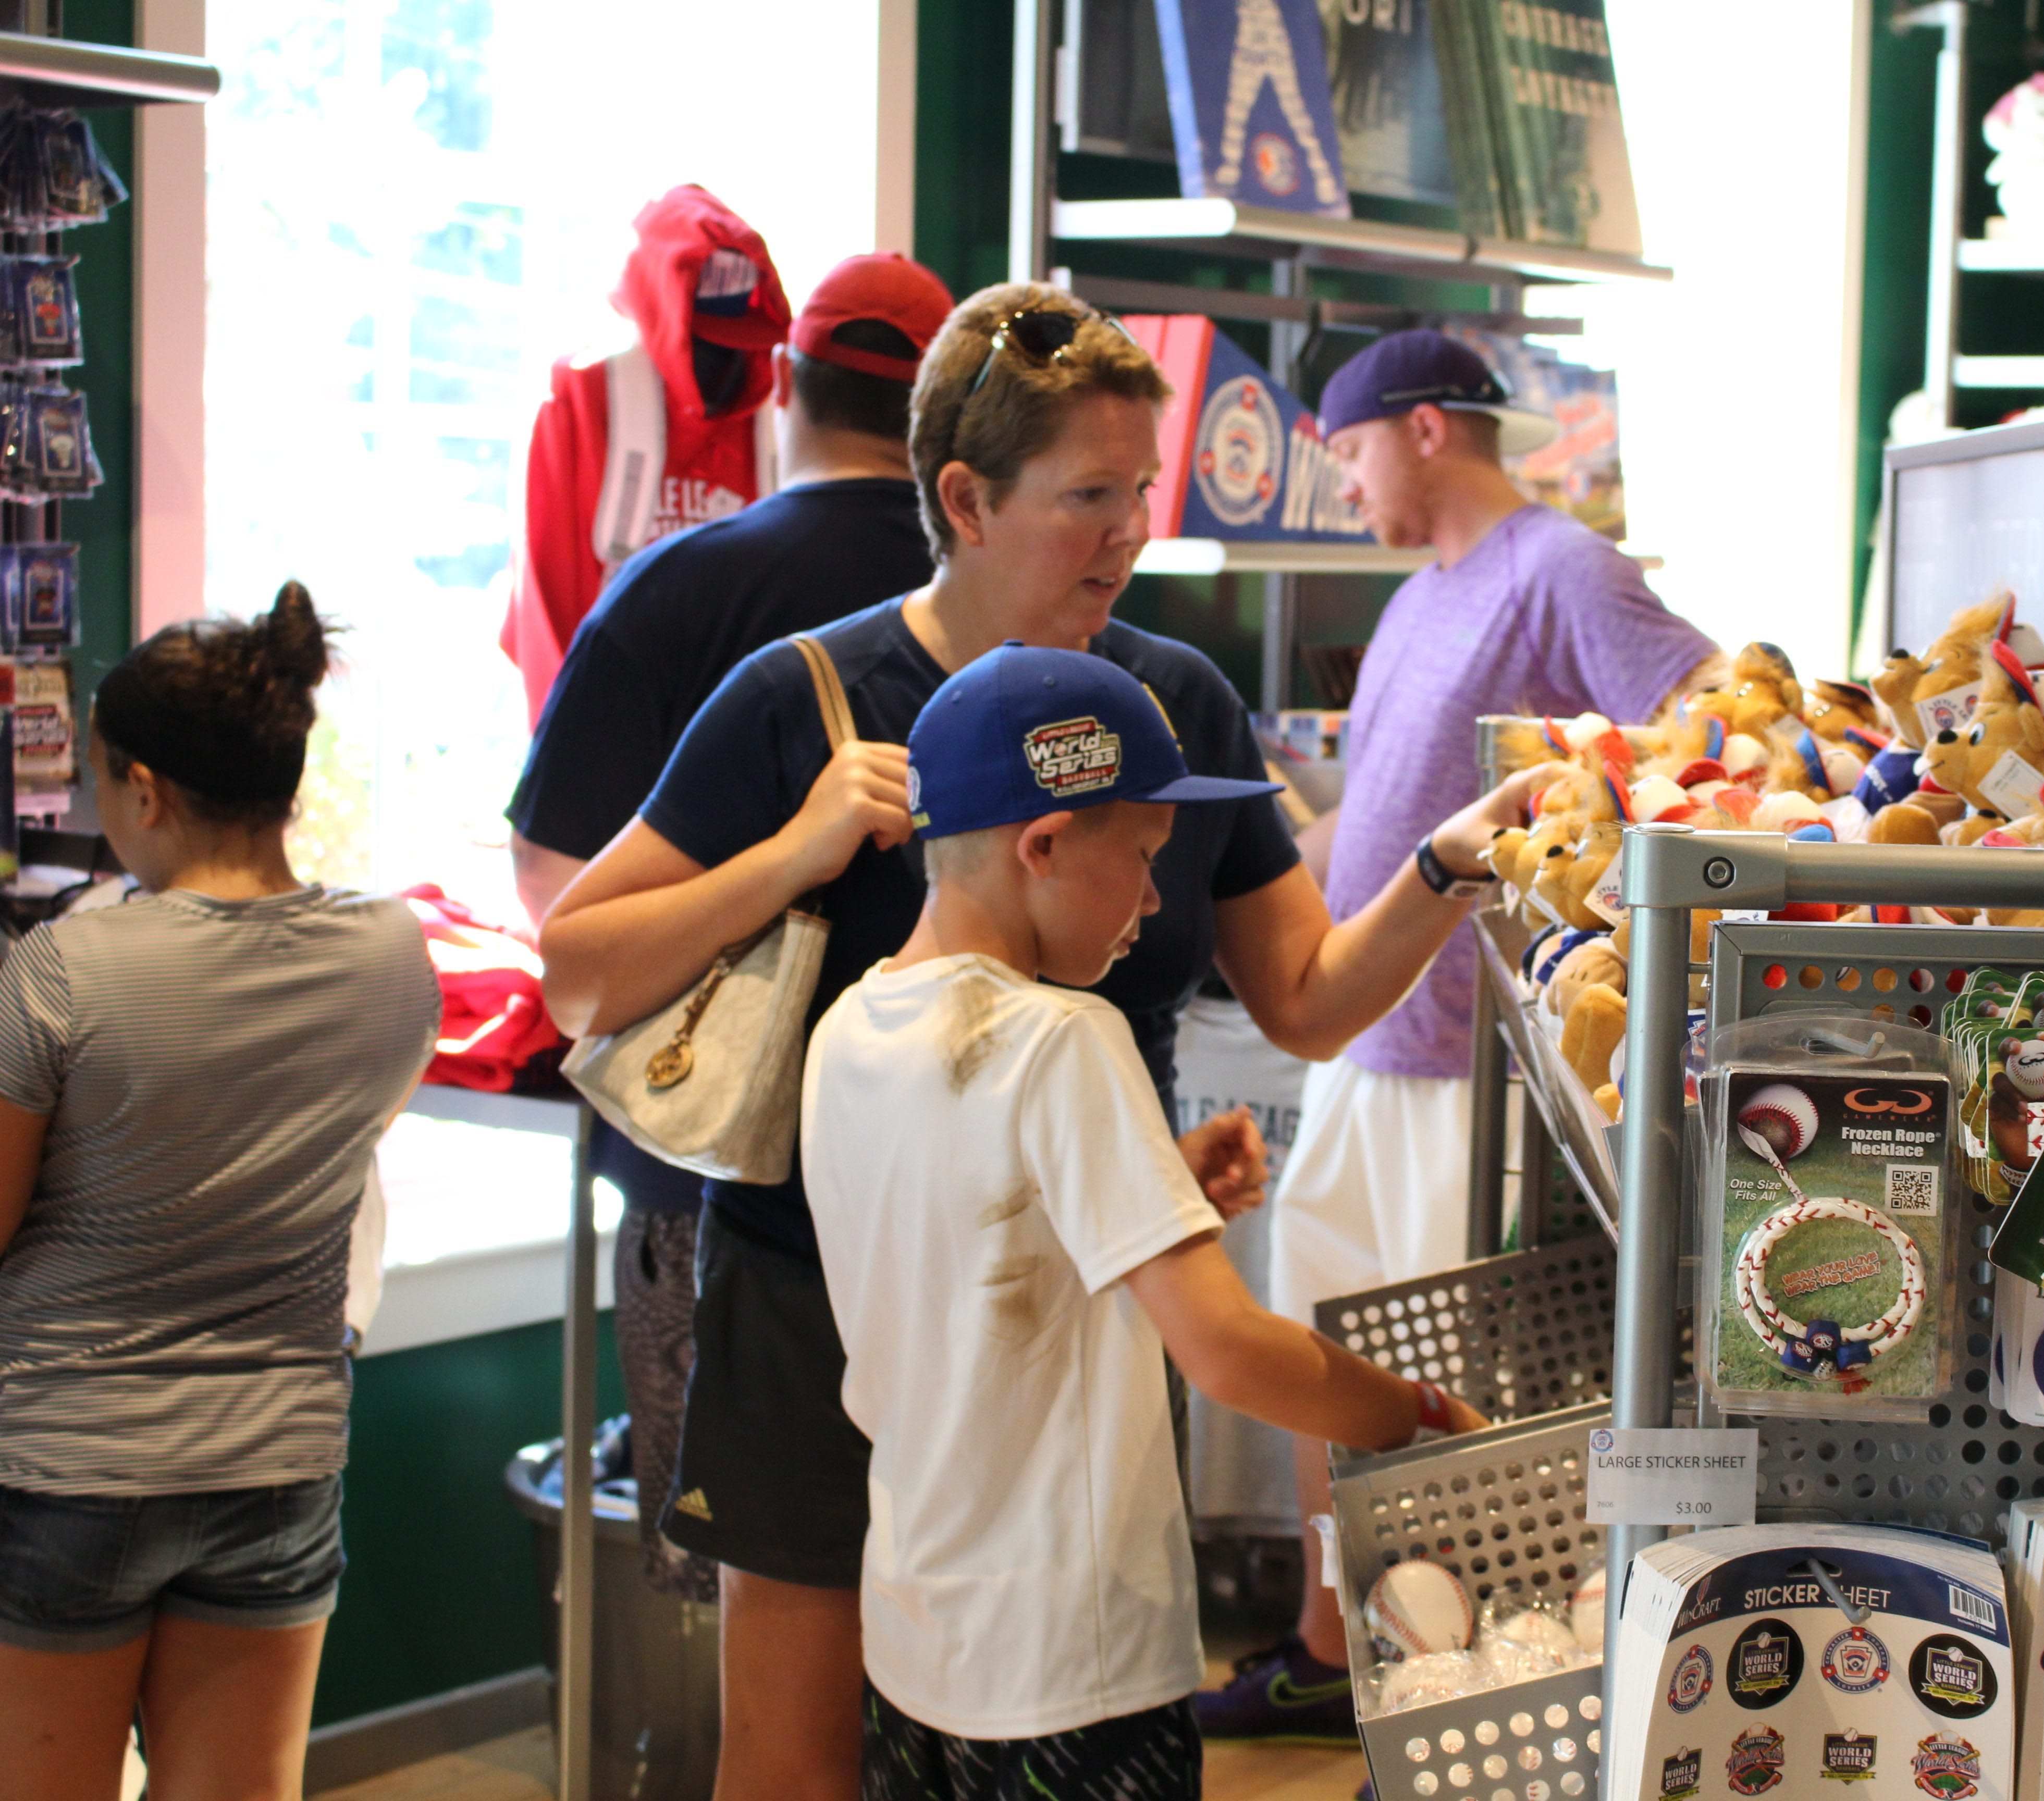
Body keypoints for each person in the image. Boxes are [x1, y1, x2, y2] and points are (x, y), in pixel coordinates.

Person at [536, 282, 1555, 1800]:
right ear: (962, 497)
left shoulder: (1173, 700)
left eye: (1139, 490)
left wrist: (1448, 871)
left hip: (1076, 1308)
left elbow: (1313, 1004)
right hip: (820, 1299)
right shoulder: (806, 697)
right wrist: (800, 848)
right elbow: (577, 975)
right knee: (807, 1749)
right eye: (1087, 496)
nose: (1127, 532)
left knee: (1032, 1716)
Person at [803, 643, 1486, 1801]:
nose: (1161, 900)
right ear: (1046, 844)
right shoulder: (1064, 1039)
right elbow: (1224, 1349)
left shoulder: (851, 1030)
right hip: (1078, 1663)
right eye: (1147, 858)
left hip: (919, 1636)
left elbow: (963, 1234)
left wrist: (1153, 1179)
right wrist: (1417, 1419)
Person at [1202, 329, 1720, 1741]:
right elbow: (1370, 804)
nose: (1345, 476)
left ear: (1427, 429)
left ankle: (1451, 1710)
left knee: (1447, 1411)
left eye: (1354, 448)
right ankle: (1328, 1652)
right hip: (1362, 1043)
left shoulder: (1564, 568)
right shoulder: (1426, 591)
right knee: (1324, 1359)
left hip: (1467, 1067)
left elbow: (1713, 733)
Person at [506, 250, 954, 1605]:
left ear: (782, 388)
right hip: (966, 1171)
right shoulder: (1038, 598)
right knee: (944, 1585)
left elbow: (558, 891)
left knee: (739, 1602)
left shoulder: (677, 587)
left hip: (709, 1178)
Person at [0, 584, 440, 1798]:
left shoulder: (66, 969)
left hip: (69, 1464)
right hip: (277, 1459)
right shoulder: (393, 956)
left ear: (144, 788)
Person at [502, 185, 796, 720]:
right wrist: (577, 753)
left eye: (738, 345)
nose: (725, 366)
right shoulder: (582, 402)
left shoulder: (781, 415)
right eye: (704, 341)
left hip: (740, 733)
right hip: (607, 725)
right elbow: (546, 600)